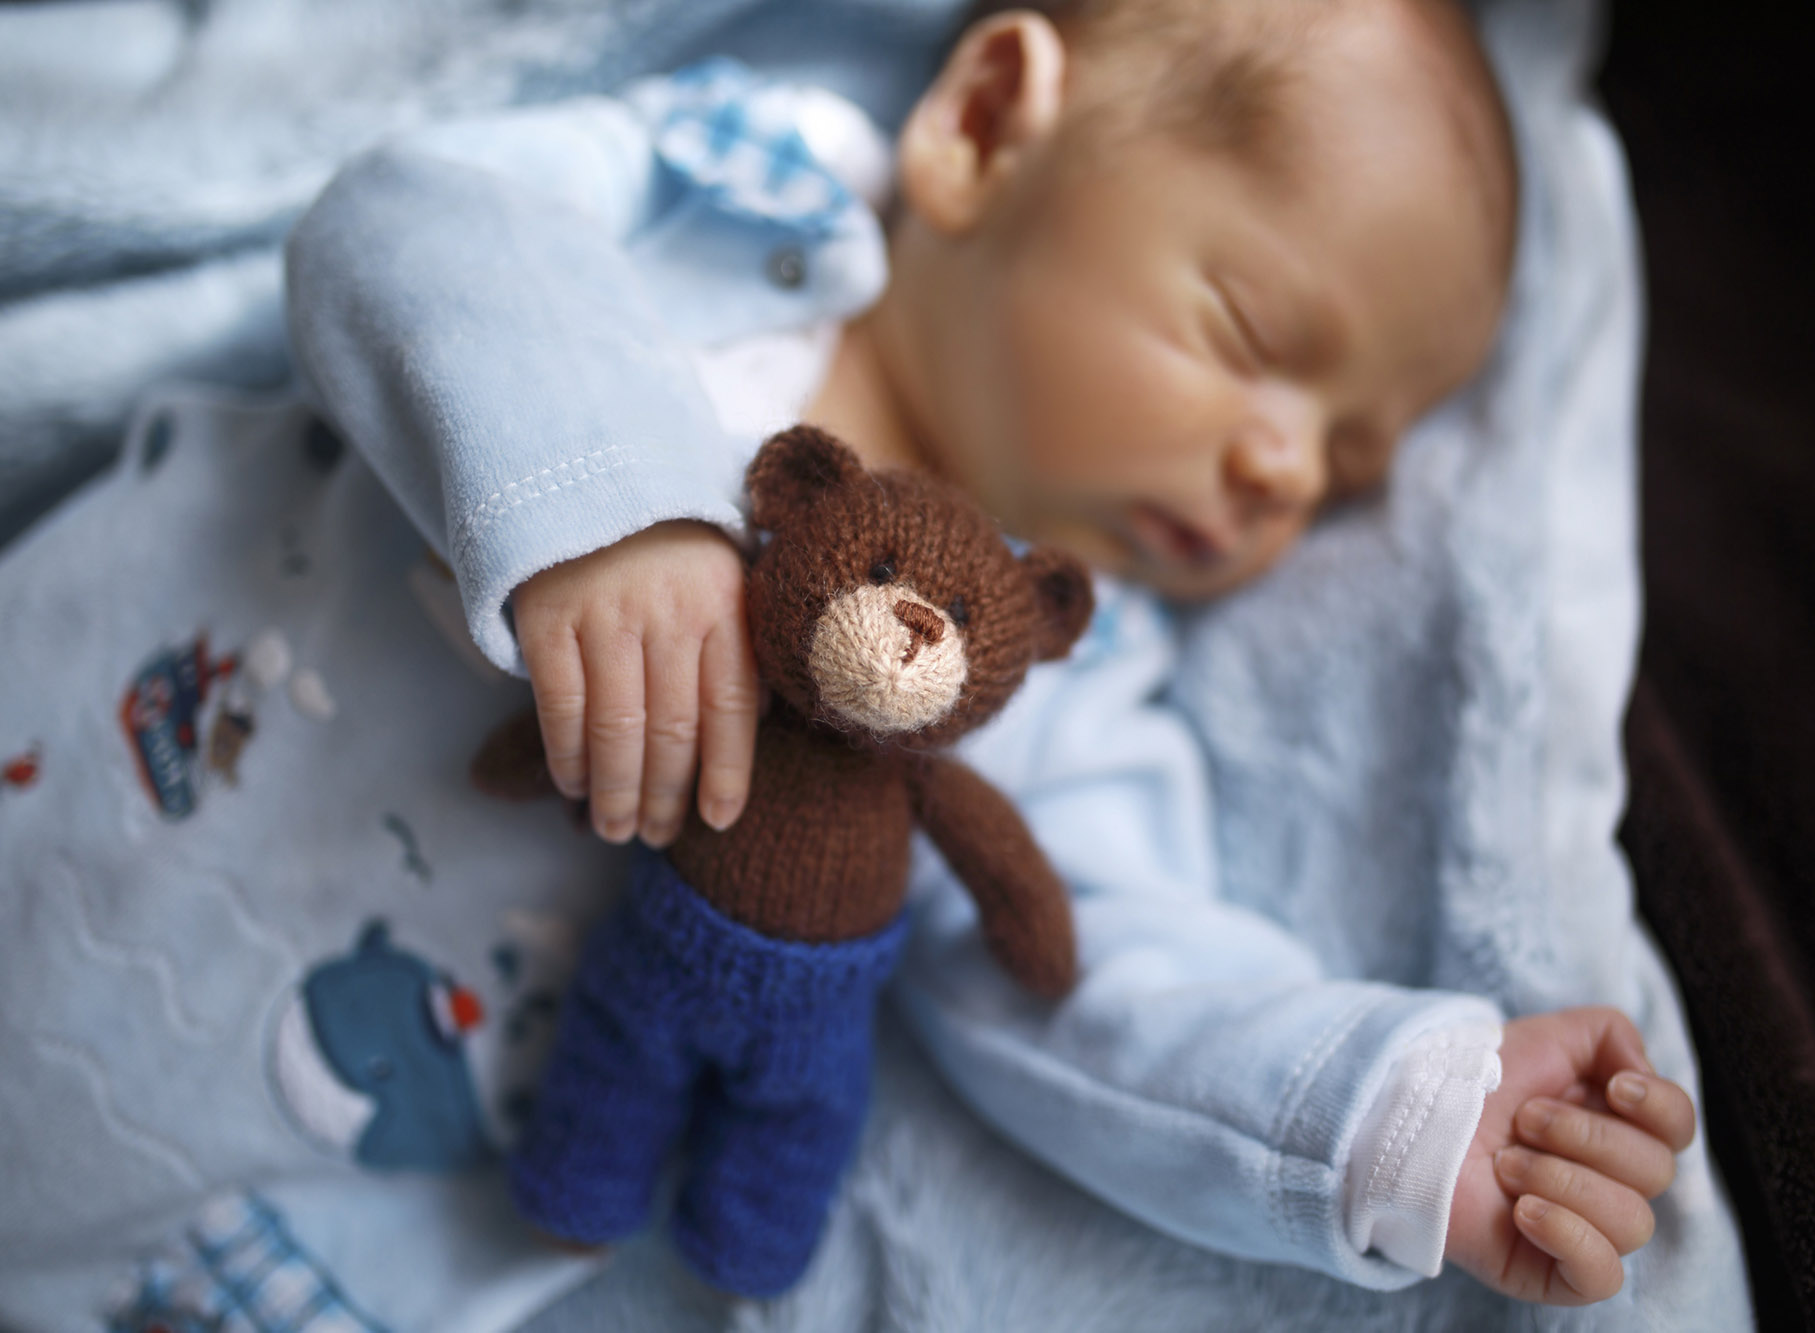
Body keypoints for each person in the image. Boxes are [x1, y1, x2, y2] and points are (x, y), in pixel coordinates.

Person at [287, 0, 1713, 1308]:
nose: (1285, 465)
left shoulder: (1063, 672)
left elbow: (1099, 976)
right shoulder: (742, 206)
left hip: (318, 1196)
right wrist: (601, 505)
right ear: (981, 129)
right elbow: (411, 217)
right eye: (1252, 332)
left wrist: (1413, 1117)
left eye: (1345, 467)